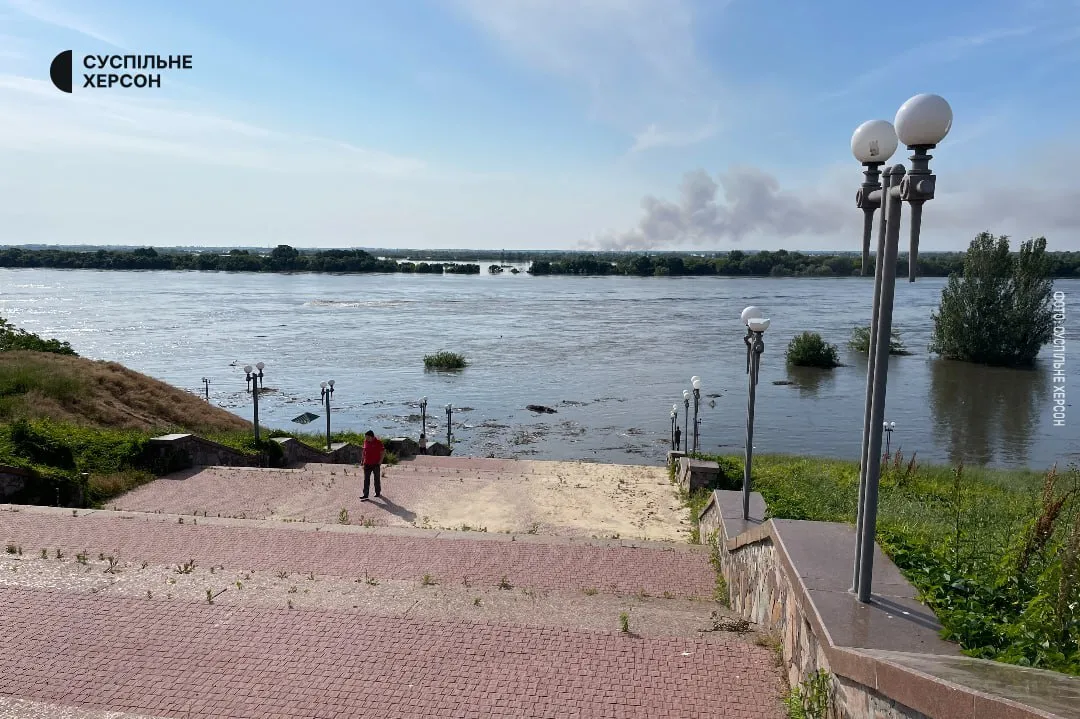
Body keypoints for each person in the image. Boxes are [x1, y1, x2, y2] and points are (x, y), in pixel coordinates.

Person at [360, 430, 384, 500]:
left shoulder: (378, 442)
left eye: (367, 437)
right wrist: (362, 460)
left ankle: (377, 492)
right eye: (365, 437)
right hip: (367, 463)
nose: (366, 438)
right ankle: (365, 494)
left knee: (376, 479)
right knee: (366, 479)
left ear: (371, 437)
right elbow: (364, 451)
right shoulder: (365, 442)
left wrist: (380, 462)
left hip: (375, 464)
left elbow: (382, 452)